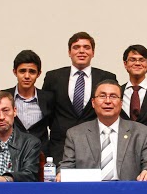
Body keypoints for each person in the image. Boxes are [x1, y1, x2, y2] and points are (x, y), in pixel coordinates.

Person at [59, 80, 147, 181]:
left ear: (121, 103)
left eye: (113, 96)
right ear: (93, 102)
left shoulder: (141, 132)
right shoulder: (75, 134)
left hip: (127, 193)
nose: (108, 101)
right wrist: (61, 174)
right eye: (102, 96)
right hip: (89, 193)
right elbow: (66, 167)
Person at [42, 32, 117, 164]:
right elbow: (47, 111)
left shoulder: (106, 77)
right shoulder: (53, 77)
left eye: (86, 47)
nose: (81, 51)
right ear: (69, 52)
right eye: (76, 47)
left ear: (93, 52)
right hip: (60, 145)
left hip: (96, 144)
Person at [1, 50, 54, 156]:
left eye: (32, 72)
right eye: (22, 71)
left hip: (40, 157)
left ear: (39, 74)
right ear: (15, 72)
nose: (27, 76)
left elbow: (54, 128)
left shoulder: (48, 98)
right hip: (11, 156)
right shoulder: (5, 96)